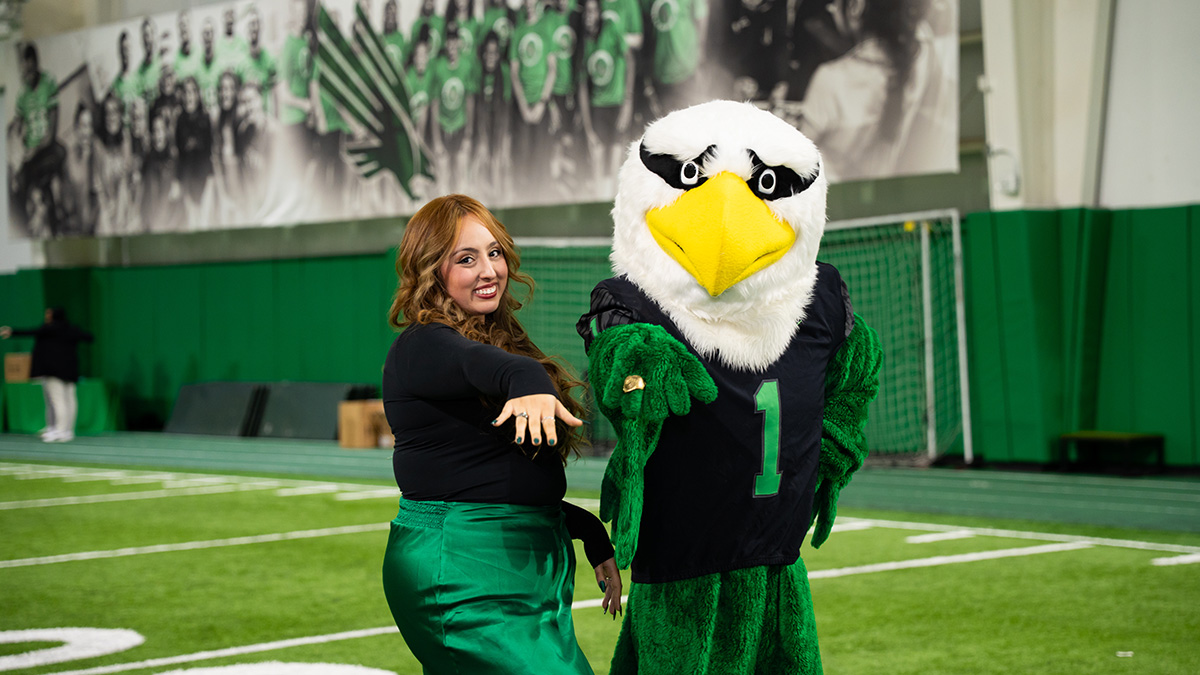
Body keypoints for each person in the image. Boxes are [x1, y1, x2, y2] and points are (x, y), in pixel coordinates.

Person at [381, 194, 622, 674]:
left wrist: (586, 529)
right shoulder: (423, 343)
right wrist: (528, 381)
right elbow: (498, 369)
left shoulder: (495, 336)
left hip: (518, 564)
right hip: (462, 567)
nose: (489, 270)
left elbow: (494, 478)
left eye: (494, 253)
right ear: (430, 270)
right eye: (466, 259)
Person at [798, 0, 955, 181]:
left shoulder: (831, 79)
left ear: (856, 5)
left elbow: (797, 158)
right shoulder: (921, 63)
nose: (832, 10)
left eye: (834, 3)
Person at [1, 308, 94, 443]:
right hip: (70, 371)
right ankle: (66, 431)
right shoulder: (71, 329)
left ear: (54, 315)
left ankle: (60, 431)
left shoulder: (49, 329)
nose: (47, 316)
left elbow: (32, 331)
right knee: (69, 400)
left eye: (49, 314)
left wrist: (12, 332)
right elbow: (88, 337)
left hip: (53, 371)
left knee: (58, 400)